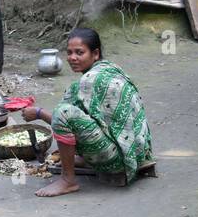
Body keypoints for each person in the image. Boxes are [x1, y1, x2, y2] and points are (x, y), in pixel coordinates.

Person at [22, 27, 153, 198]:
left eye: (79, 52)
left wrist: (38, 113)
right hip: (137, 152)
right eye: (69, 53)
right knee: (75, 115)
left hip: (120, 161)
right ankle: (88, 160)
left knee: (63, 113)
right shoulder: (110, 69)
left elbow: (63, 120)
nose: (72, 58)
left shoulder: (89, 81)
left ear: (95, 53)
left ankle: (68, 180)